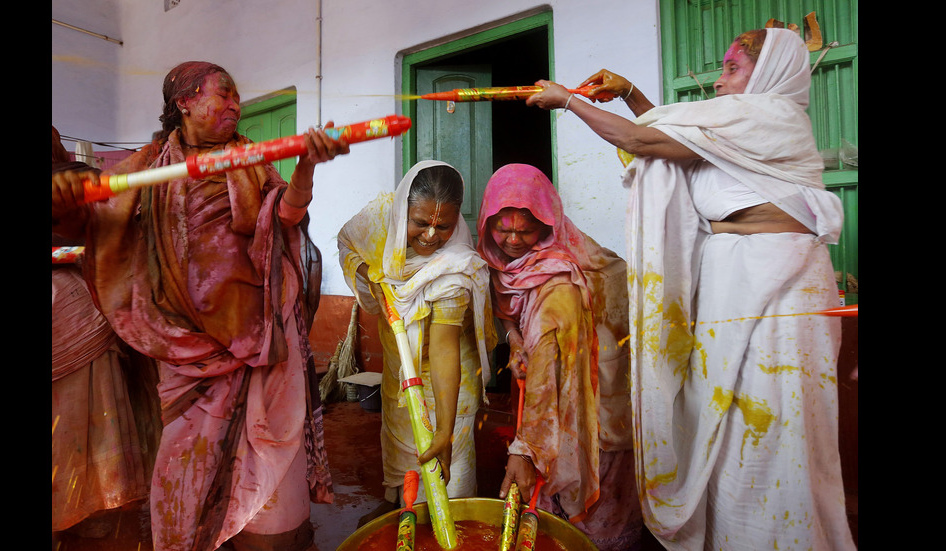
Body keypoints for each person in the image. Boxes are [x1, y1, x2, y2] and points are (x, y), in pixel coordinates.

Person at [526, 29, 855, 550]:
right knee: (724, 426)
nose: (720, 82)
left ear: (768, 73)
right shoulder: (739, 132)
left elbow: (644, 142)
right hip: (732, 284)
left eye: (732, 69)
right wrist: (632, 95)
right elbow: (682, 141)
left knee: (775, 425)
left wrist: (566, 100)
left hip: (783, 295)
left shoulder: (773, 116)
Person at [51, 61, 349, 551]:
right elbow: (91, 221)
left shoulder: (252, 160)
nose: (235, 104)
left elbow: (287, 217)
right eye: (223, 93)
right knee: (182, 484)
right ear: (184, 102)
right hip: (185, 357)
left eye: (238, 96)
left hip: (261, 351)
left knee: (271, 505)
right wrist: (67, 191)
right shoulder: (146, 169)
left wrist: (309, 165)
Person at [477, 163, 642, 550]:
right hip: (551, 379)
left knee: (586, 488)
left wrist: (525, 448)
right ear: (486, 221)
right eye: (503, 228)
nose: (513, 240)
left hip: (591, 393)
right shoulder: (511, 266)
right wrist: (517, 341)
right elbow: (511, 318)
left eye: (525, 230)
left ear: (548, 225)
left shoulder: (558, 283)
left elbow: (549, 364)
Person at [338, 160, 496, 526]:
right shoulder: (379, 221)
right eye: (420, 222)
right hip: (399, 370)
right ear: (400, 211)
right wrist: (368, 272)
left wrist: (443, 429)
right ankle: (399, 506)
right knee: (399, 448)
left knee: (446, 465)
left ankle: (448, 520)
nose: (430, 236)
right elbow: (348, 240)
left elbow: (444, 349)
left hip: (448, 383)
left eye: (444, 225)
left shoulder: (455, 268)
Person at [52, 126, 158, 542]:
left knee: (95, 489)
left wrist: (72, 185)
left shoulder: (64, 169)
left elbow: (86, 192)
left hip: (73, 323)